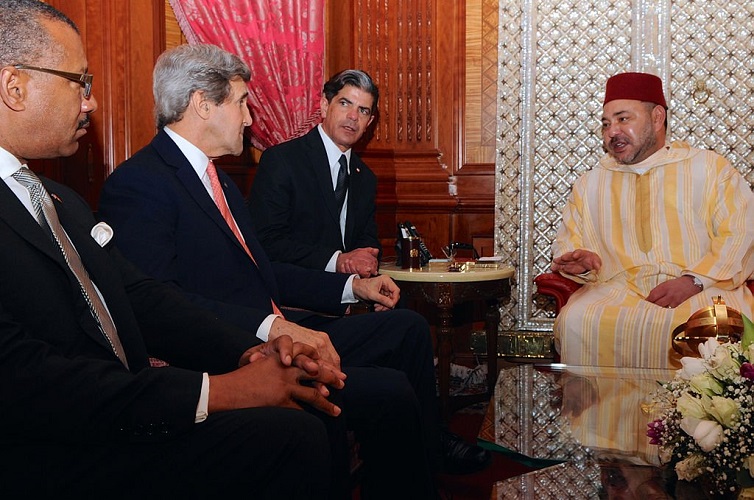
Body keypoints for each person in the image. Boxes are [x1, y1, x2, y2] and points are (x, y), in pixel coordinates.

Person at [97, 44, 491, 497]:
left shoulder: (218, 178)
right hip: (232, 351)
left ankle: (427, 451)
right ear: (203, 104)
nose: (249, 119)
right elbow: (159, 305)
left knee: (406, 329)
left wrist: (352, 288)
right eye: (242, 102)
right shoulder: (139, 183)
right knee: (391, 392)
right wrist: (273, 327)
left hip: (275, 326)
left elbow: (264, 272)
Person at [0, 1, 346, 498]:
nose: (91, 103)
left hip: (121, 411)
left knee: (299, 423)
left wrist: (249, 352)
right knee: (292, 436)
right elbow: (23, 379)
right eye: (80, 82)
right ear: (15, 87)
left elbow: (141, 297)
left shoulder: (59, 198)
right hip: (50, 449)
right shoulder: (125, 185)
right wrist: (220, 391)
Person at [550, 71, 754, 368]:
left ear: (657, 118)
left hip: (703, 287)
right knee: (578, 321)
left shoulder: (710, 168)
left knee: (712, 329)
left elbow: (741, 233)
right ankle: (605, 417)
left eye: (623, 119)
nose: (612, 132)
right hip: (618, 289)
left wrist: (693, 281)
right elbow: (569, 242)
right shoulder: (590, 183)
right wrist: (577, 263)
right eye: (606, 124)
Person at [247, 69, 381, 278]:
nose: (353, 116)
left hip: (353, 293)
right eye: (345, 103)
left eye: (363, 110)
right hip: (296, 294)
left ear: (369, 123)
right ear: (325, 106)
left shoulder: (365, 177)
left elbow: (367, 242)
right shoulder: (282, 160)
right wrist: (337, 261)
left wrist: (369, 274)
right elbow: (267, 241)